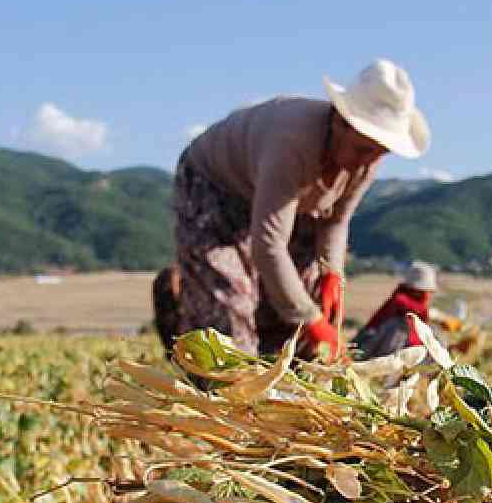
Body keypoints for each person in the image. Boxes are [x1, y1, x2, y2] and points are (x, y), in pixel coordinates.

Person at [153, 59, 430, 360]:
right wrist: (310, 318)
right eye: (363, 149)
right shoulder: (291, 142)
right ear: (340, 122)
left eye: (379, 153)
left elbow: (336, 222)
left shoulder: (365, 161)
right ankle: (190, 331)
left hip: (285, 202)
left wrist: (332, 273)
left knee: (303, 290)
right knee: (230, 302)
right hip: (217, 187)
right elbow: (268, 246)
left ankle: (280, 372)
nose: (367, 162)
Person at [354, 261, 461, 358]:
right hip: (371, 344)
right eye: (426, 292)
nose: (428, 296)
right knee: (399, 326)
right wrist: (438, 317)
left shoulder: (412, 310)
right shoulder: (400, 302)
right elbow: (408, 306)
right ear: (417, 291)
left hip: (381, 346)